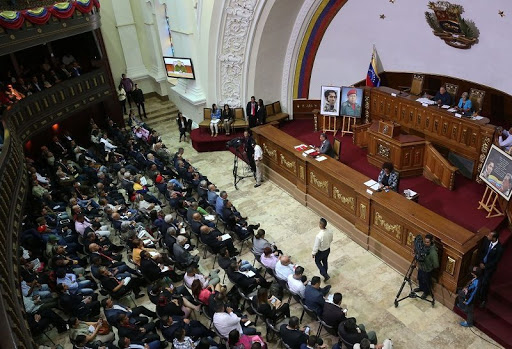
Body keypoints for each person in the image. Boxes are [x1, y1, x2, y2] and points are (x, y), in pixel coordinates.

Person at [477, 230, 503, 307]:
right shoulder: (487, 241)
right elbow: (482, 252)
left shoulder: (499, 248)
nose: (488, 236)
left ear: (494, 238)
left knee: (485, 283)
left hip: (489, 268)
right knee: (478, 280)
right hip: (482, 264)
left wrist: (486, 266)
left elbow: (496, 261)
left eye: (490, 235)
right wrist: (481, 262)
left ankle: (483, 299)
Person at [413, 234, 439, 299]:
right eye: (425, 242)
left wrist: (430, 266)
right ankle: (421, 288)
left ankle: (426, 292)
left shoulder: (433, 252)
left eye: (427, 242)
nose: (426, 243)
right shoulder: (423, 246)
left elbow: (436, 264)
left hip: (427, 269)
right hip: (421, 266)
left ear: (431, 242)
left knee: (426, 281)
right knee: (420, 278)